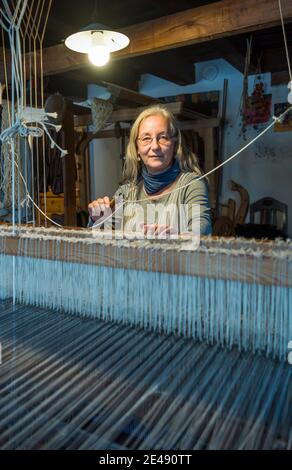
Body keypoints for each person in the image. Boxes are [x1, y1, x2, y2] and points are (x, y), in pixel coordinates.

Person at [88, 105, 212, 237]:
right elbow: (99, 241)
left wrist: (176, 237)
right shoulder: (126, 193)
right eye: (146, 138)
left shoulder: (191, 185)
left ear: (174, 145)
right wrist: (97, 219)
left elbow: (201, 231)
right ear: (137, 148)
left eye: (163, 137)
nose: (155, 146)